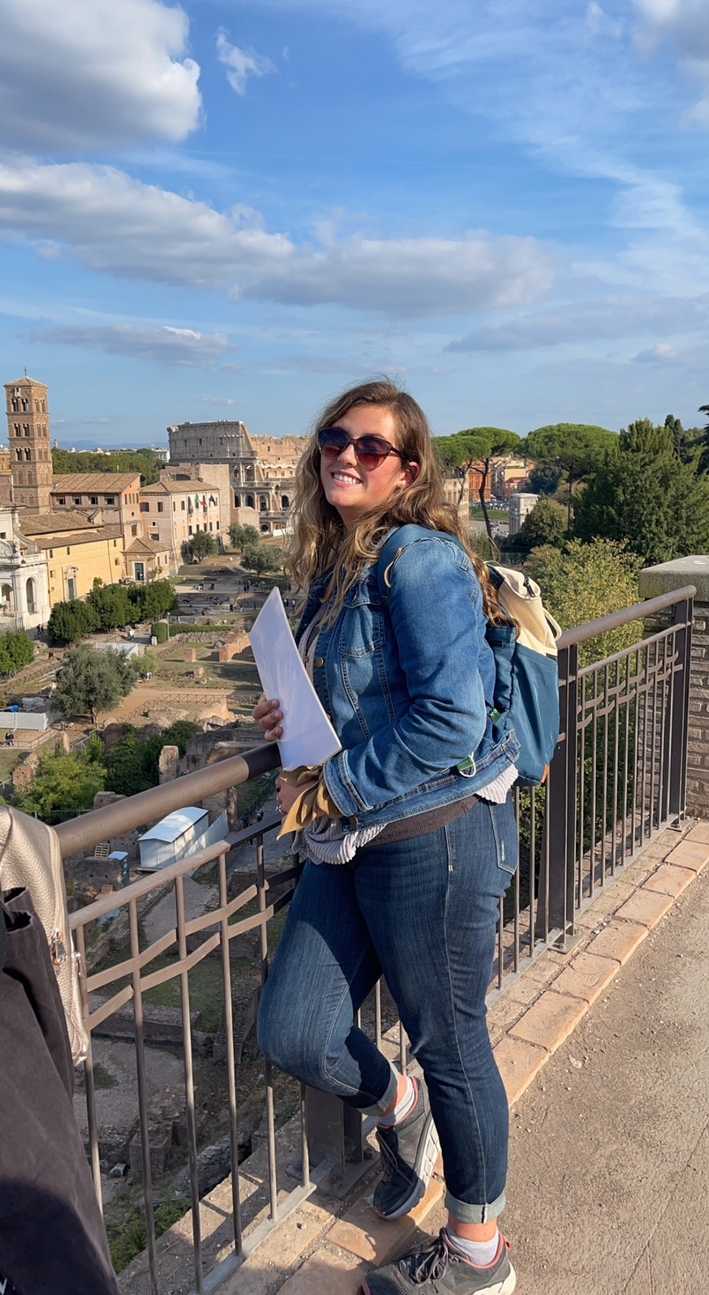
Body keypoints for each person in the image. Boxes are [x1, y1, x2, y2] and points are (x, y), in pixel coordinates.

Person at [253, 381, 521, 1295]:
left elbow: (448, 720)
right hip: (354, 835)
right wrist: (286, 720)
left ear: (408, 469)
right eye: (335, 438)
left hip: (436, 836)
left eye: (371, 447)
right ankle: (399, 1109)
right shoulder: (336, 570)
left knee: (450, 1041)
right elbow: (366, 703)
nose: (345, 455)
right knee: (293, 1029)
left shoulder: (422, 561)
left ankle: (480, 1257)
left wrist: (332, 784)